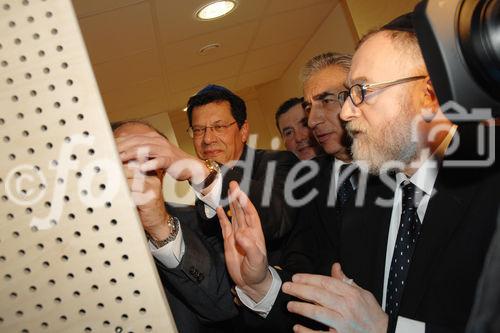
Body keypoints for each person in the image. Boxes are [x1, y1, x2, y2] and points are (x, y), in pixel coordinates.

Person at [218, 15, 500, 333]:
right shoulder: (368, 201)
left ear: (429, 96)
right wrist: (261, 285)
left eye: (361, 91)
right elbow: (344, 312)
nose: (345, 111)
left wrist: (386, 330)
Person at [216, 52, 357, 332]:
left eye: (327, 101)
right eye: (309, 108)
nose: (313, 122)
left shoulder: (396, 172)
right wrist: (262, 284)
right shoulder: (305, 185)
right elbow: (301, 260)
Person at [113, 121, 236, 333]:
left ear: (162, 170)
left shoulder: (200, 222)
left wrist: (161, 228)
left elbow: (223, 307)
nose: (132, 167)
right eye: (123, 155)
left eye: (147, 156)